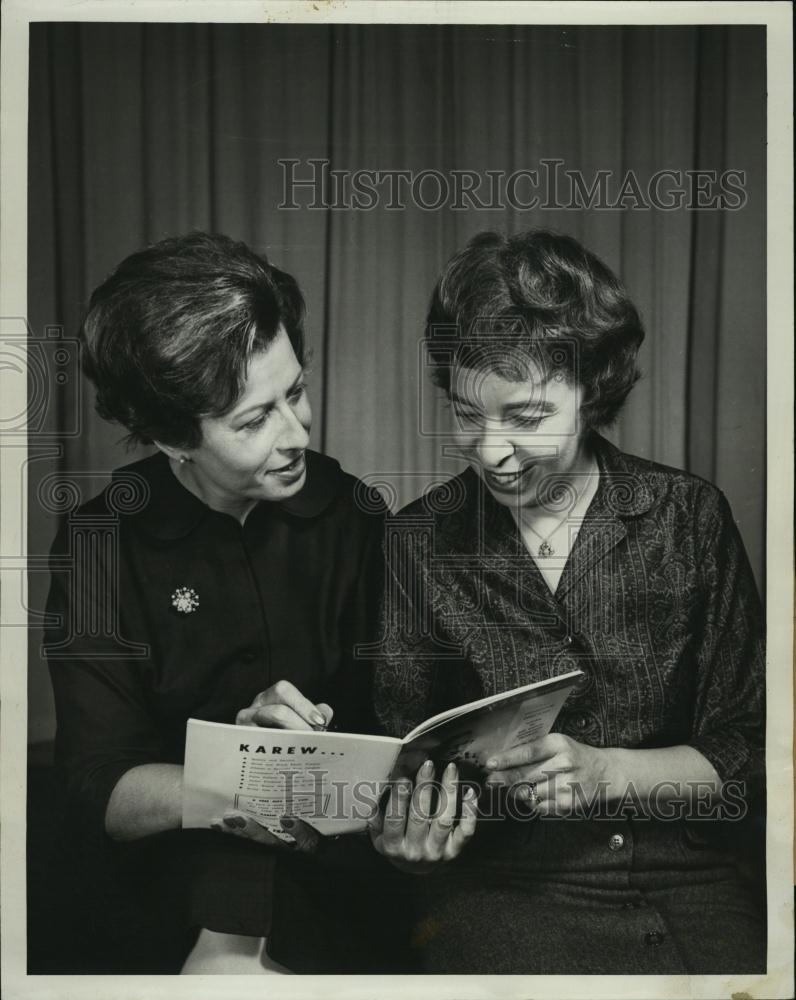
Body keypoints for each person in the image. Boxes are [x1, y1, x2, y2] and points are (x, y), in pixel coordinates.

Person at [42, 231, 450, 974]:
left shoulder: (357, 516)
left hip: (331, 885)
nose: (298, 433)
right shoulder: (100, 539)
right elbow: (97, 786)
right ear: (172, 439)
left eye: (295, 391)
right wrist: (242, 772)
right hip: (167, 894)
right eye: (254, 419)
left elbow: (400, 735)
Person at [374, 229, 766, 974]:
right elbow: (402, 752)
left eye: (525, 417)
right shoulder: (418, 541)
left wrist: (609, 773)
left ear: (593, 389)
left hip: (694, 882)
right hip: (503, 888)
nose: (490, 450)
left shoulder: (688, 517)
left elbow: (749, 750)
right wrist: (410, 844)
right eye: (466, 414)